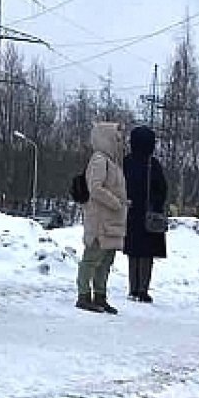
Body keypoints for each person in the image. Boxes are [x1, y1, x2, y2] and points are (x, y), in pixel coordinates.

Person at [77, 121, 128, 314]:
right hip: (101, 221)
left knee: (106, 262)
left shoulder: (113, 163)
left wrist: (123, 203)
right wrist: (115, 202)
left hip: (113, 221)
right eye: (117, 139)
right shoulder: (99, 160)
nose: (120, 144)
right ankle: (83, 295)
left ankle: (100, 296)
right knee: (92, 259)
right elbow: (95, 188)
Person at [122, 125, 167, 302]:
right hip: (149, 214)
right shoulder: (152, 164)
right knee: (146, 253)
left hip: (130, 212)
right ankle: (143, 289)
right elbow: (162, 189)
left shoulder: (126, 162)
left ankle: (133, 287)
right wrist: (156, 205)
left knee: (133, 252)